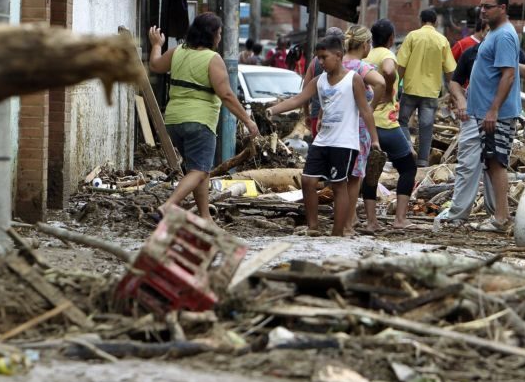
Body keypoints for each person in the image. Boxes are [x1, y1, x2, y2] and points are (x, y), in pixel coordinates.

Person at [147, 14, 260, 221]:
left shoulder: (177, 52)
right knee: (199, 170)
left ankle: (206, 218)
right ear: (212, 35)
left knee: (199, 171)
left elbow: (155, 65)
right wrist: (247, 120)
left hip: (173, 121)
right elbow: (226, 94)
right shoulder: (212, 59)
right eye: (219, 33)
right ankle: (168, 206)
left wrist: (156, 44)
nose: (220, 37)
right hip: (199, 122)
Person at [266, 35, 380, 236]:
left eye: (323, 57)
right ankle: (313, 227)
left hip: (344, 143)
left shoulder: (353, 79)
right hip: (322, 140)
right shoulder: (319, 81)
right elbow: (298, 99)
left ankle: (337, 233)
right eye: (318, 58)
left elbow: (365, 111)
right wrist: (273, 110)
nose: (320, 62)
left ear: (338, 55)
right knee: (308, 181)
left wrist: (375, 140)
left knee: (338, 185)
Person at [441, 7, 525, 228]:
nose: (486, 35)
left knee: (495, 162)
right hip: (474, 115)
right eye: (484, 30)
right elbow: (455, 81)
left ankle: (498, 215)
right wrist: (461, 101)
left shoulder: (505, 42)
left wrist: (509, 62)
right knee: (475, 164)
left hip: (493, 114)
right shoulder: (472, 52)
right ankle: (460, 214)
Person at [362, 19, 419, 232]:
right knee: (408, 167)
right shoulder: (387, 55)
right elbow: (388, 70)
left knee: (371, 171)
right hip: (386, 123)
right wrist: (386, 90)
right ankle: (400, 219)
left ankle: (371, 221)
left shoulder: (366, 56)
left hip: (367, 124)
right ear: (391, 38)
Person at [341, 25, 387, 234]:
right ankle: (348, 222)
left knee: (341, 176)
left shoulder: (336, 63)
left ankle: (345, 219)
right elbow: (381, 83)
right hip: (358, 127)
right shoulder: (360, 67)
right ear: (366, 44)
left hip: (338, 126)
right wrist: (372, 107)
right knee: (355, 176)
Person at [397, 8, 456, 167]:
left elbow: (401, 65)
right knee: (426, 126)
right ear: (435, 22)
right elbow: (450, 70)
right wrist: (453, 91)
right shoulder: (442, 40)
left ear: (420, 20)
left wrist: (396, 85)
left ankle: (408, 150)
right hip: (430, 92)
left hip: (410, 89)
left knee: (401, 121)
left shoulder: (412, 36)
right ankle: (423, 161)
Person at [301, 27, 346, 138]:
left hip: (318, 116)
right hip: (342, 120)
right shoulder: (350, 62)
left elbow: (304, 90)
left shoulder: (315, 62)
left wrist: (307, 114)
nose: (322, 61)